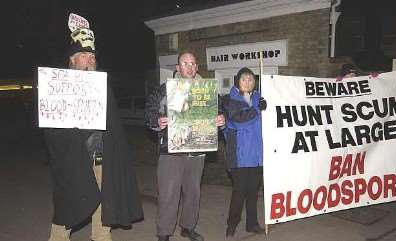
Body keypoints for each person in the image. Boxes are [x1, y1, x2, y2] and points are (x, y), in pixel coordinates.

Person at [44, 26, 143, 241]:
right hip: (73, 157)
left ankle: (101, 237)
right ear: (72, 59)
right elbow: (51, 126)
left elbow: (113, 125)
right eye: (83, 55)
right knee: (68, 203)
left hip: (101, 156)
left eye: (92, 56)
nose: (89, 60)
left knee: (104, 201)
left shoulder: (102, 86)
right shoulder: (58, 86)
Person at [145, 51, 225, 241]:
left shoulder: (208, 91)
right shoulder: (165, 89)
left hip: (197, 152)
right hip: (171, 151)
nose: (189, 67)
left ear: (197, 67)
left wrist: (221, 121)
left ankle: (187, 227)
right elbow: (149, 110)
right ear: (178, 68)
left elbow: (219, 114)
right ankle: (164, 232)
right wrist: (157, 120)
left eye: (192, 64)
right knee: (168, 194)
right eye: (185, 63)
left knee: (193, 193)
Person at [221, 67, 266, 237]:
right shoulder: (229, 100)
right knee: (239, 192)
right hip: (239, 156)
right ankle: (232, 223)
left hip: (256, 155)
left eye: (251, 79)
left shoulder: (258, 98)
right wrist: (258, 109)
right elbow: (239, 121)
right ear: (237, 81)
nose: (248, 82)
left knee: (253, 192)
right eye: (244, 79)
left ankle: (252, 223)